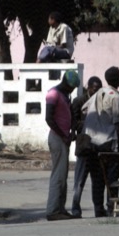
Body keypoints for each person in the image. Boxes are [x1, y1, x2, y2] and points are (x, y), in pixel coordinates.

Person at [83, 66, 119, 216]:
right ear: (117, 79)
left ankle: (98, 209)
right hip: (109, 143)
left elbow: (84, 109)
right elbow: (117, 123)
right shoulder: (115, 96)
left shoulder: (97, 94)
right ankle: (111, 207)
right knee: (112, 178)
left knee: (97, 178)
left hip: (93, 143)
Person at [45, 69, 81, 221]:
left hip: (63, 138)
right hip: (57, 138)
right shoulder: (53, 94)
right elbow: (49, 118)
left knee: (63, 175)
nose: (72, 90)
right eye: (71, 87)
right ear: (66, 84)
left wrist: (71, 131)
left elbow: (69, 115)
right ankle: (53, 210)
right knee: (58, 176)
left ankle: (60, 208)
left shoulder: (65, 95)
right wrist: (64, 135)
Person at [70, 75, 103, 217]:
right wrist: (88, 123)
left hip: (98, 146)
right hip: (84, 145)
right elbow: (73, 123)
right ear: (88, 88)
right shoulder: (78, 102)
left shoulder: (102, 102)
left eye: (99, 90)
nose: (97, 92)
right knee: (79, 181)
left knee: (98, 181)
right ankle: (75, 208)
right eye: (95, 89)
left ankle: (99, 209)